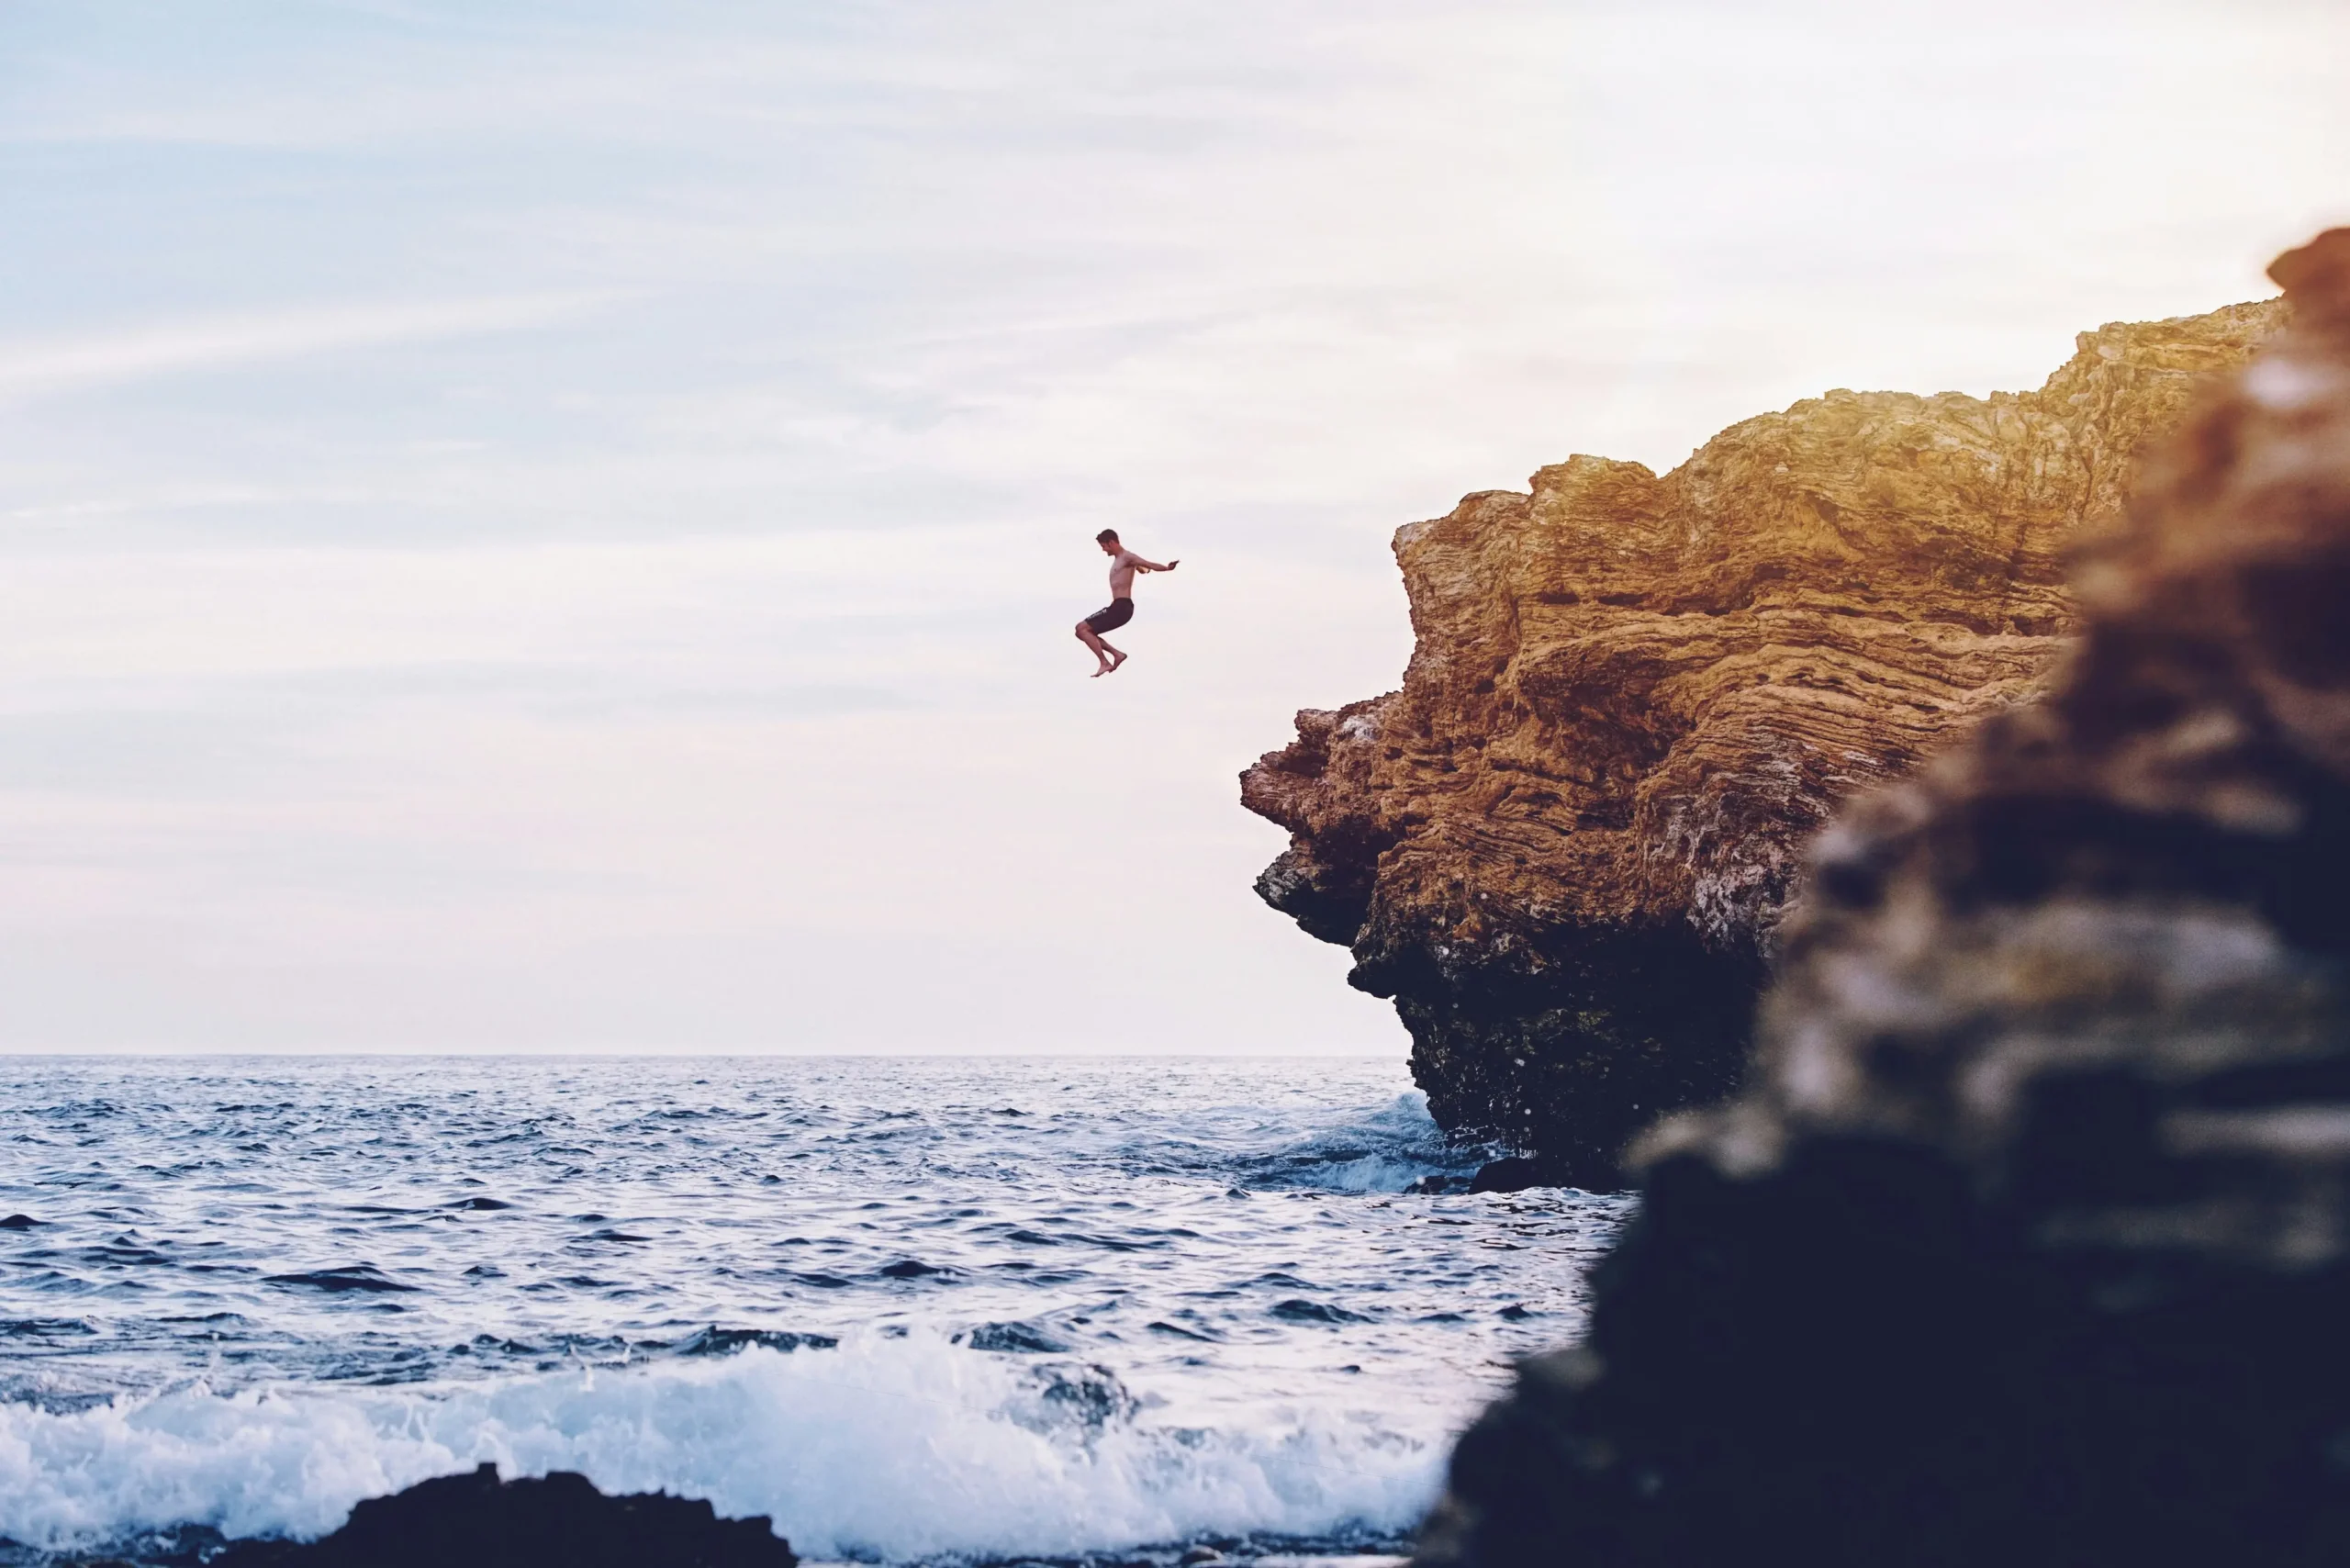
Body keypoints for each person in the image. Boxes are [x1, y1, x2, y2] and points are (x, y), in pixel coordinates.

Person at [1074, 529, 1177, 677]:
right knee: (1083, 632)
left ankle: (1104, 662)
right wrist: (1142, 569)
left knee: (1081, 628)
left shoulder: (1127, 557)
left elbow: (1148, 564)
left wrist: (1166, 568)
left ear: (1111, 542)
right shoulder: (1121, 560)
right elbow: (1144, 568)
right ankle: (1116, 654)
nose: (1103, 550)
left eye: (1104, 546)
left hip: (1121, 607)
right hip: (1118, 607)